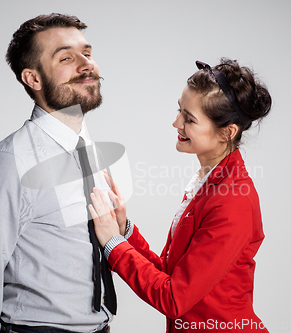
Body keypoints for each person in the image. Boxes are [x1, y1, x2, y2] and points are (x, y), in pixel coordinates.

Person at [0, 13, 120, 333]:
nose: (87, 65)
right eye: (67, 58)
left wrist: (121, 228)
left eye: (87, 52)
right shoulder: (10, 163)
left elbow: (84, 246)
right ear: (33, 79)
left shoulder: (89, 152)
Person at [89, 58, 272, 332]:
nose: (176, 122)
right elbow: (171, 274)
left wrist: (112, 244)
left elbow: (174, 297)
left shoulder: (232, 201)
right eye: (179, 110)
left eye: (189, 119)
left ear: (227, 132)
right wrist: (123, 231)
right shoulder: (207, 184)